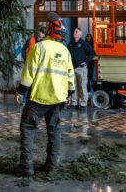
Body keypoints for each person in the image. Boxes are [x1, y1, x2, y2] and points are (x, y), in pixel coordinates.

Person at [15, 12, 75, 177]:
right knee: (54, 132)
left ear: (49, 30)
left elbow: (28, 74)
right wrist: (70, 95)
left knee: (27, 128)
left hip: (38, 99)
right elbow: (71, 77)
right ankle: (51, 166)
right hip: (58, 99)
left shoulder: (38, 48)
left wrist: (20, 92)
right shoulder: (64, 51)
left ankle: (26, 167)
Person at [67, 26, 95, 110]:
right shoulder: (71, 43)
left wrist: (86, 61)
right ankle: (74, 103)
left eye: (76, 32)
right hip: (72, 68)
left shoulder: (83, 43)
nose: (74, 32)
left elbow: (92, 53)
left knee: (82, 86)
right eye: (74, 31)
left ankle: (83, 104)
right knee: (74, 86)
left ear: (79, 35)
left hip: (81, 68)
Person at [19, 27, 47, 106]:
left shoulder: (45, 42)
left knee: (37, 83)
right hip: (29, 64)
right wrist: (25, 59)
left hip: (39, 66)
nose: (43, 35)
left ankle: (34, 100)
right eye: (43, 33)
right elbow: (23, 49)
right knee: (27, 82)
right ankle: (24, 101)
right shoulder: (31, 40)